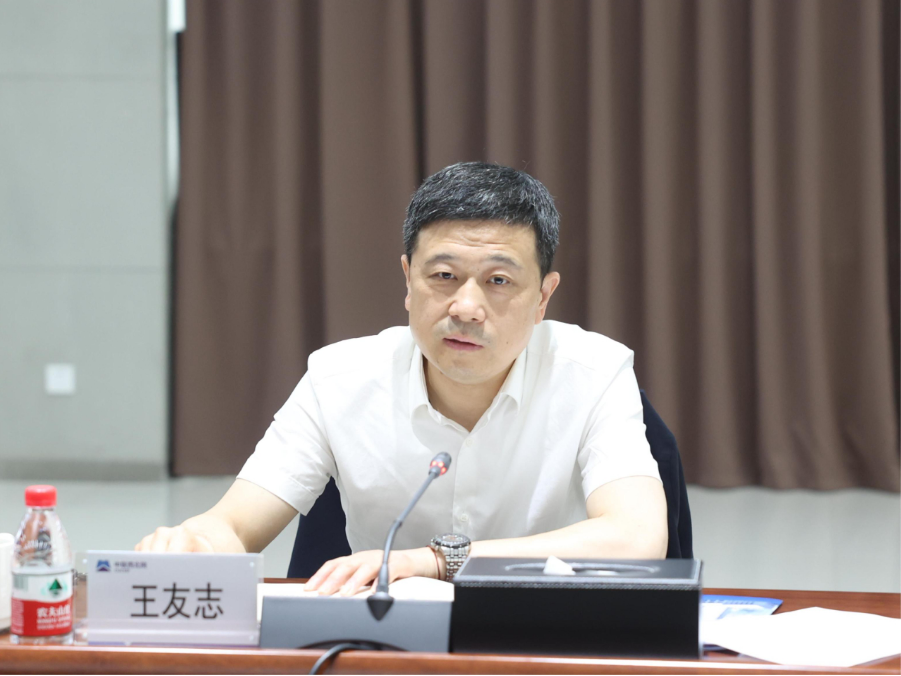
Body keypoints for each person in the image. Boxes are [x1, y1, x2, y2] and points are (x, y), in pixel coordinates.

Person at [136, 162, 667, 595]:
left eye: (499, 281)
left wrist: (434, 561)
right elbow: (233, 524)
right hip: (386, 645)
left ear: (543, 297)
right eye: (444, 276)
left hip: (537, 641)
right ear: (408, 280)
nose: (466, 307)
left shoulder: (594, 373)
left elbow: (637, 537)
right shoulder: (339, 379)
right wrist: (193, 543)